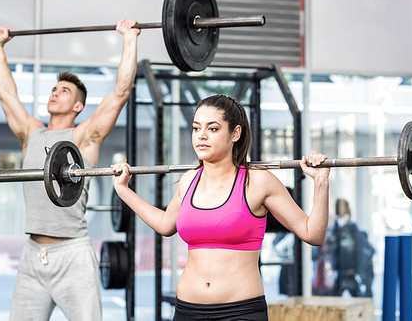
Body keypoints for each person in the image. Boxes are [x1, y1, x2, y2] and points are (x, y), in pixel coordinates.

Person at [112, 94, 330, 320]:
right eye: (196, 129)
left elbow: (312, 233)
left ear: (235, 133)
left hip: (240, 311)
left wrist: (321, 182)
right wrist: (124, 191)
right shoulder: (188, 181)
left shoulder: (258, 182)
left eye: (213, 129)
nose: (201, 136)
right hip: (188, 311)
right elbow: (165, 225)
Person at [0, 19, 140, 320]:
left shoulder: (84, 137)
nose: (55, 93)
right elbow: (7, 95)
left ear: (78, 107)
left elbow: (121, 92)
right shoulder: (31, 132)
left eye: (64, 91)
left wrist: (129, 37)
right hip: (33, 255)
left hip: (73, 254)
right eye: (54, 89)